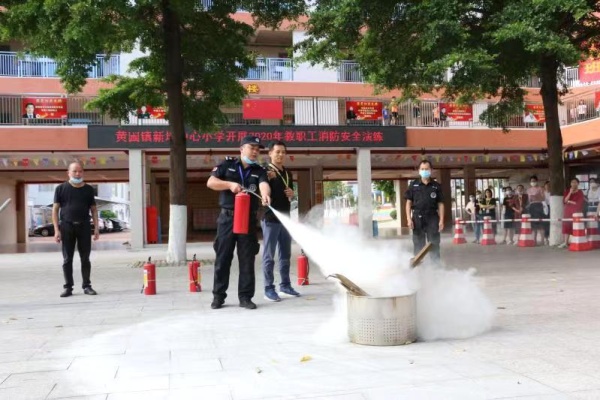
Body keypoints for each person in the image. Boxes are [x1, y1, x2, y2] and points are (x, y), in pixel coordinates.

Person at [207, 135, 271, 310]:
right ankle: (218, 297)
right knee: (223, 258)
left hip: (248, 220)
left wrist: (265, 194)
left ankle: (245, 297)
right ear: (241, 149)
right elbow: (211, 182)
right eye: (252, 148)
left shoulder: (259, 170)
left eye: (258, 149)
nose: (255, 152)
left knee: (247, 259)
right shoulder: (227, 164)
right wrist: (229, 185)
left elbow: (263, 184)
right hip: (227, 218)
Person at [52, 162, 100, 298]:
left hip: (84, 226)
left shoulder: (88, 189)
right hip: (67, 226)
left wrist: (96, 228)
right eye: (74, 171)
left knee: (85, 258)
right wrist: (56, 230)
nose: (78, 174)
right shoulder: (61, 189)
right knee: (67, 259)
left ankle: (87, 286)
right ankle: (68, 287)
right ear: (68, 173)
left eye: (80, 171)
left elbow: (94, 210)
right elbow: (55, 210)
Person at [261, 140, 300, 302]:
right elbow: (262, 188)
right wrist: (266, 192)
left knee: (285, 254)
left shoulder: (288, 173)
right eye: (277, 152)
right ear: (270, 153)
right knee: (269, 255)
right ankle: (268, 288)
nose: (281, 155)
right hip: (270, 218)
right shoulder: (265, 171)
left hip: (286, 218)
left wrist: (292, 193)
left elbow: (289, 194)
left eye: (283, 152)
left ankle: (285, 285)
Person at [404, 160, 445, 260]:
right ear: (419, 170)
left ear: (431, 170)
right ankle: (419, 266)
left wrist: (441, 220)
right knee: (418, 243)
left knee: (434, 243)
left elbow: (440, 204)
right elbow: (408, 203)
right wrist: (409, 219)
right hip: (417, 217)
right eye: (422, 169)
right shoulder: (413, 185)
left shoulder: (436, 186)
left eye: (427, 169)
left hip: (432, 217)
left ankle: (435, 266)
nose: (424, 171)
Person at [559, 178, 586, 248]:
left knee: (575, 226)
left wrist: (570, 202)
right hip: (567, 211)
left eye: (575, 182)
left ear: (578, 183)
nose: (573, 184)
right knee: (566, 226)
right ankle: (565, 242)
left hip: (576, 212)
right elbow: (565, 201)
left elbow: (579, 203)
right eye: (572, 182)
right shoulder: (567, 191)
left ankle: (575, 242)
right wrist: (570, 193)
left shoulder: (580, 192)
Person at [526, 175, 546, 245]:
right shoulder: (528, 190)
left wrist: (538, 196)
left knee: (540, 224)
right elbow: (529, 200)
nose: (533, 182)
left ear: (537, 181)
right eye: (531, 181)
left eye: (534, 181)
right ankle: (534, 240)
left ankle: (542, 240)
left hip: (539, 205)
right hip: (532, 206)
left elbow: (543, 198)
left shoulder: (540, 188)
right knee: (533, 224)